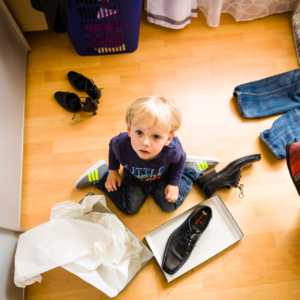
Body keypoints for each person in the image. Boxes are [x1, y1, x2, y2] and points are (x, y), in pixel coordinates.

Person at [74, 94, 219, 215]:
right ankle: (102, 175)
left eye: (155, 136)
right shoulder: (120, 144)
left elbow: (179, 160)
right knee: (130, 209)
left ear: (168, 139)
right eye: (139, 133)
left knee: (169, 206)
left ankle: (190, 171)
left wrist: (174, 184)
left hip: (163, 178)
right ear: (129, 129)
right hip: (133, 180)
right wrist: (112, 171)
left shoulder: (173, 151)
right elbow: (113, 151)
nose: (145, 143)